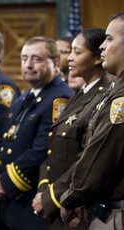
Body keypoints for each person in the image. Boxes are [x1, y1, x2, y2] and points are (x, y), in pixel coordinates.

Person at [0, 36, 74, 230]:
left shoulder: (60, 98)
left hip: (32, 201)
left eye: (37, 59)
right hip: (12, 202)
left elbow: (43, 150)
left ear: (56, 63)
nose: (29, 65)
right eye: (24, 58)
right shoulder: (27, 95)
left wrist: (5, 182)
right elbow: (7, 138)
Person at [32, 28, 111, 230]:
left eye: (77, 52)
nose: (69, 59)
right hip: (59, 202)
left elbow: (86, 156)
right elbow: (53, 150)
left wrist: (51, 198)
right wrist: (43, 190)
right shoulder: (80, 93)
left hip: (75, 205)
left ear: (97, 58)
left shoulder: (103, 97)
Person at [60, 13, 124, 230]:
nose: (103, 46)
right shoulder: (115, 91)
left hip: (115, 212)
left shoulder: (121, 99)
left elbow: (101, 154)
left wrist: (72, 197)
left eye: (110, 39)